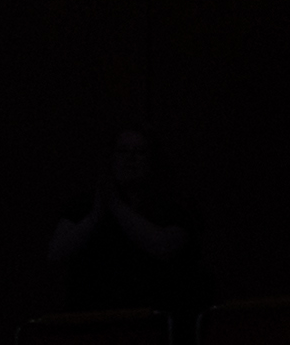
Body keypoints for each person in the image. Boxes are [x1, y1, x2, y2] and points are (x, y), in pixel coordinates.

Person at [43, 123, 201, 314]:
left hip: (150, 321)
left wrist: (115, 206)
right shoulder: (85, 204)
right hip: (90, 321)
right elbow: (56, 253)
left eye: (139, 152)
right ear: (111, 157)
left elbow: (163, 247)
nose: (130, 159)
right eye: (122, 151)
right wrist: (94, 217)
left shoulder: (171, 208)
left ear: (152, 159)